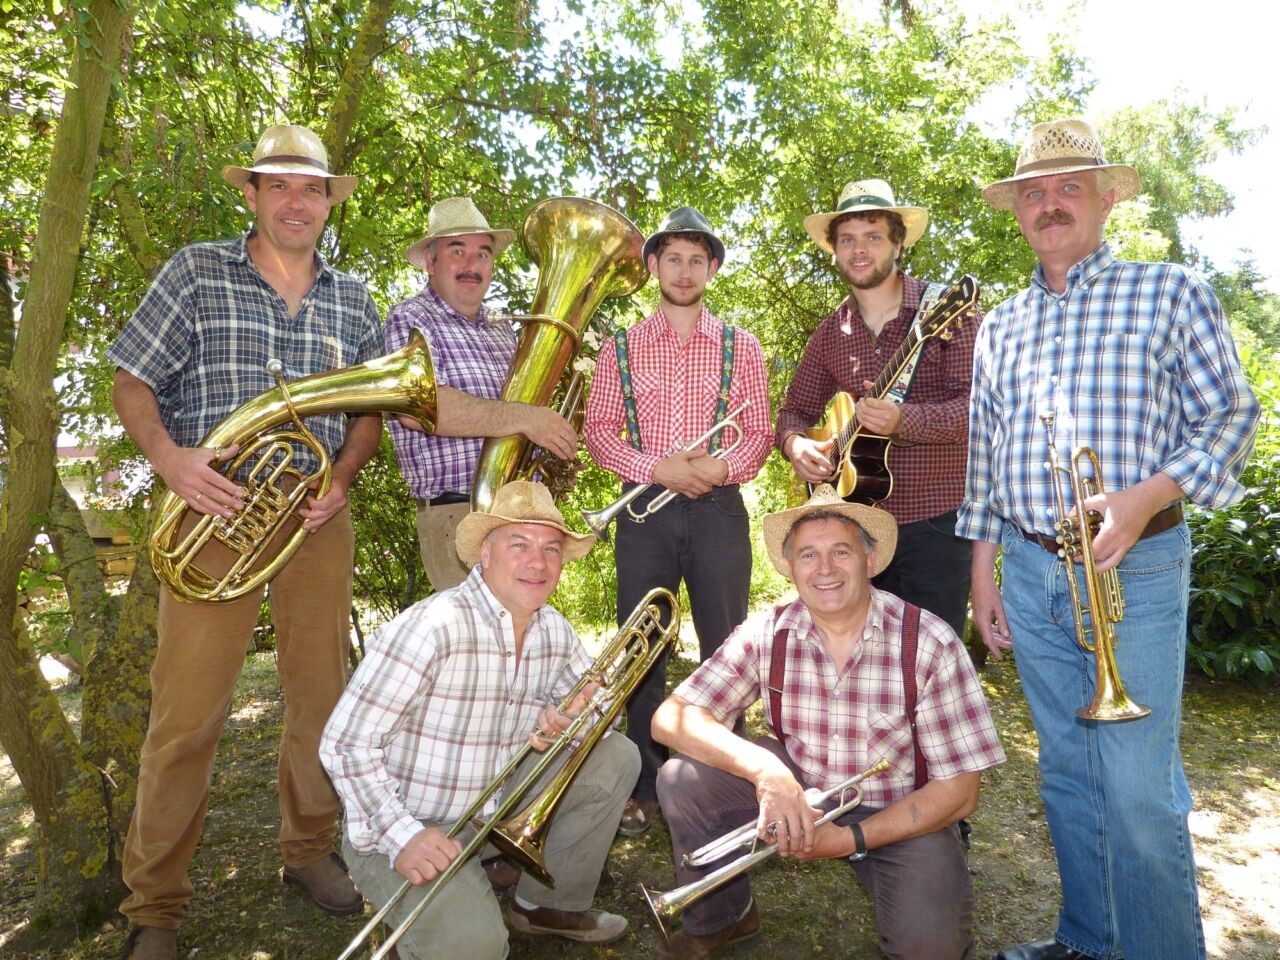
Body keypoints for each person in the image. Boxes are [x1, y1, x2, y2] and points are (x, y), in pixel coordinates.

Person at [960, 118, 1261, 960]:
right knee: (1065, 775)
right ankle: (1088, 941)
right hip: (1024, 563)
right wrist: (981, 573)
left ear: (1104, 199)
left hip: (1139, 559)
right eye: (1033, 192)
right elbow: (985, 453)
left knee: (1135, 789)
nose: (1048, 204)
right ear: (1017, 210)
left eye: (1067, 187)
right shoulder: (1000, 326)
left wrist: (1146, 496)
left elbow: (1233, 414)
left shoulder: (1171, 290)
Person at [652, 484, 1005, 960]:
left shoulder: (930, 642)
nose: (824, 570)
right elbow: (671, 718)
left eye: (841, 552)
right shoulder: (768, 630)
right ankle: (724, 917)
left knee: (931, 949)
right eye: (808, 555)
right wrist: (768, 773)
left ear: (870, 559)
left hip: (899, 812)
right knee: (683, 779)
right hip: (797, 786)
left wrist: (848, 839)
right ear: (791, 567)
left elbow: (960, 791)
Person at [320, 481, 639, 959]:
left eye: (551, 549)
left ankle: (547, 905)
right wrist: (403, 836)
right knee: (476, 949)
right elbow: (344, 744)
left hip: (496, 806)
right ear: (484, 555)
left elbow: (602, 715)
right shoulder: (433, 627)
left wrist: (582, 714)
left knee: (615, 756)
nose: (538, 562)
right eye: (519, 545)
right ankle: (431, 911)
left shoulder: (554, 628)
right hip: (410, 823)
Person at [583, 206, 774, 837]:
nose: (685, 270)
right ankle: (641, 778)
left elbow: (760, 432)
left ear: (712, 268)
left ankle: (721, 778)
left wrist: (717, 469)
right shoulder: (622, 346)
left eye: (697, 259)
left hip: (719, 509)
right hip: (645, 509)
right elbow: (600, 432)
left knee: (727, 643)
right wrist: (658, 468)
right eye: (673, 259)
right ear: (654, 266)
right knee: (642, 644)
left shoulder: (742, 346)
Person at [776, 179, 979, 640]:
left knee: (934, 659)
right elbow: (793, 410)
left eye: (872, 236)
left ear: (898, 242)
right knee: (863, 660)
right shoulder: (830, 333)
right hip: (858, 526)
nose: (859, 249)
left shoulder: (947, 313)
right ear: (834, 250)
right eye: (847, 239)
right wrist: (797, 444)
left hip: (937, 524)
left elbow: (978, 410)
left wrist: (904, 421)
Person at [386, 196, 578, 592]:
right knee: (476, 648)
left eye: (483, 254)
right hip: (457, 514)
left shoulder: (500, 329)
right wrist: (527, 418)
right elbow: (418, 406)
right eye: (457, 251)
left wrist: (554, 440)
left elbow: (525, 420)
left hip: (521, 513)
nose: (472, 265)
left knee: (519, 647)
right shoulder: (411, 318)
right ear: (430, 261)